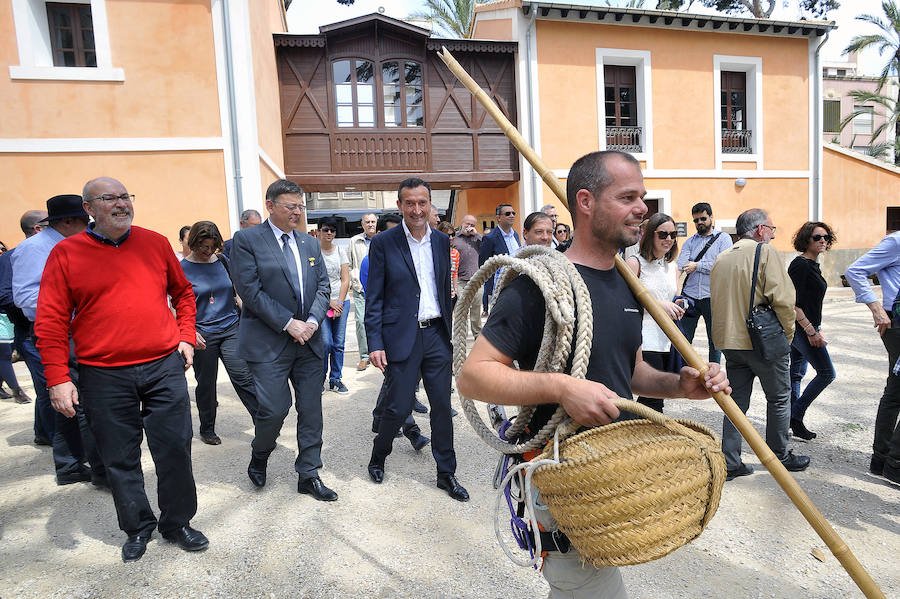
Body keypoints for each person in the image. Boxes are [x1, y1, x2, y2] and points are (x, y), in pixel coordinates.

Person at [458, 150, 729, 598]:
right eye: (627, 197)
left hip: (610, 477)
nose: (642, 208)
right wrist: (561, 387)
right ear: (585, 202)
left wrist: (678, 385)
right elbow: (473, 376)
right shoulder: (538, 285)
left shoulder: (627, 283)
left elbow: (632, 371)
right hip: (563, 480)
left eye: (642, 197)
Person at [35, 178, 207, 562]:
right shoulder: (66, 253)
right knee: (119, 456)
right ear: (88, 207)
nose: (121, 204)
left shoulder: (154, 242)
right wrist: (58, 378)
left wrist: (184, 334)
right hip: (103, 373)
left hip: (163, 365)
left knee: (175, 449)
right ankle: (137, 527)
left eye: (126, 196)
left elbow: (182, 292)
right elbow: (49, 321)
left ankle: (177, 523)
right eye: (109, 198)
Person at [230, 179, 338, 502]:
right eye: (291, 206)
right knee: (275, 409)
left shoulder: (308, 243)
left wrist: (313, 321)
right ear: (271, 206)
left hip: (309, 342)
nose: (297, 212)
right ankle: (260, 453)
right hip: (269, 343)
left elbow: (322, 287)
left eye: (301, 207)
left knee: (311, 409)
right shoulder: (247, 240)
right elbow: (250, 291)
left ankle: (309, 473)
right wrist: (289, 323)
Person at [365, 177, 468, 501]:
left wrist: (454, 332)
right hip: (402, 337)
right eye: (409, 203)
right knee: (395, 408)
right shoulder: (384, 244)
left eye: (422, 202)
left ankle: (446, 474)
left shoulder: (441, 241)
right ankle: (378, 456)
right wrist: (375, 343)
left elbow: (443, 289)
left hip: (437, 334)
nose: (416, 209)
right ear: (400, 206)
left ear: (430, 205)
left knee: (441, 407)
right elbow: (375, 298)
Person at [12, 195, 107, 487]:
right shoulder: (35, 249)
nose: (89, 228)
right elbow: (25, 298)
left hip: (80, 330)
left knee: (70, 403)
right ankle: (101, 471)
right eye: (84, 222)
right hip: (60, 332)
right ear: (67, 221)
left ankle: (68, 465)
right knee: (85, 401)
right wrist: (72, 303)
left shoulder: (76, 245)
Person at [710, 208, 809, 481]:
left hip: (731, 342)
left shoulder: (722, 257)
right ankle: (780, 456)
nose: (774, 235)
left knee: (736, 403)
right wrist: (787, 336)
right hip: (763, 341)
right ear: (760, 229)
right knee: (778, 398)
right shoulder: (764, 252)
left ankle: (730, 460)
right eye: (772, 229)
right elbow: (784, 300)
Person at [180, 220, 259, 445]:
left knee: (243, 375)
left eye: (212, 246)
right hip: (202, 333)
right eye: (204, 246)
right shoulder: (181, 269)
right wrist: (189, 332)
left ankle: (263, 420)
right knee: (206, 384)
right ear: (193, 242)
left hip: (230, 327)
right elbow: (176, 305)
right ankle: (207, 429)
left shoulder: (223, 260)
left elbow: (235, 292)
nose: (208, 251)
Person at [366, 213, 429, 449]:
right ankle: (413, 432)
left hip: (413, 335)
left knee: (394, 384)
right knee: (398, 386)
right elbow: (373, 302)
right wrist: (376, 342)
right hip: (389, 336)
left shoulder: (410, 258)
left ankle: (378, 416)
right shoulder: (371, 261)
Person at [845, 231, 900, 484]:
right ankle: (894, 462)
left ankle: (883, 459)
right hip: (897, 322)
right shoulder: (897, 241)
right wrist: (877, 309)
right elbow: (855, 270)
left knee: (895, 391)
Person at [0, 210, 51, 442]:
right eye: (51, 224)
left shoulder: (50, 252)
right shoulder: (12, 257)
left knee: (46, 387)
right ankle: (54, 437)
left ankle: (42, 432)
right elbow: (5, 296)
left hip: (47, 332)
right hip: (30, 333)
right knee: (48, 387)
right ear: (38, 229)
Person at [625, 213, 684, 413]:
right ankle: (647, 439)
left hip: (668, 338)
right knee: (653, 397)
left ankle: (646, 437)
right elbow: (626, 302)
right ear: (651, 235)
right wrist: (660, 305)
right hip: (645, 337)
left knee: (660, 395)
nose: (669, 239)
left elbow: (674, 297)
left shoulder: (672, 267)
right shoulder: (635, 263)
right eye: (663, 234)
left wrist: (679, 305)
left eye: (673, 234)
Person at [788, 222, 837, 441]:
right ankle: (795, 416)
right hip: (800, 329)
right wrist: (810, 331)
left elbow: (812, 303)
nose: (823, 241)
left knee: (796, 374)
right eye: (817, 237)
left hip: (808, 327)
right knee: (827, 373)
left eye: (826, 237)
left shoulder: (813, 265)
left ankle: (789, 419)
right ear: (806, 239)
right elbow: (793, 303)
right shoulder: (801, 265)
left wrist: (818, 328)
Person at [676, 202, 733, 363]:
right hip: (690, 296)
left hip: (712, 297)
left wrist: (697, 265)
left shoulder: (724, 239)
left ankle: (713, 375)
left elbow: (724, 264)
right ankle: (684, 372)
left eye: (703, 218)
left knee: (715, 341)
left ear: (711, 218)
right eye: (696, 220)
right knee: (684, 339)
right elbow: (681, 265)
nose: (699, 222)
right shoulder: (689, 242)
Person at [317, 217, 351, 395]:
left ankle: (335, 378)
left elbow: (346, 279)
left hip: (341, 302)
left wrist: (338, 301)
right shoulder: (314, 252)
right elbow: (312, 281)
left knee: (338, 343)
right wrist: (328, 301)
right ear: (318, 232)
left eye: (332, 230)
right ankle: (320, 379)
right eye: (325, 229)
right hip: (321, 303)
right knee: (325, 343)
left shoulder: (340, 251)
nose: (329, 233)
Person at [479, 203, 521, 314]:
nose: (511, 215)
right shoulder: (490, 238)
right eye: (508, 213)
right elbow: (483, 265)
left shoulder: (515, 235)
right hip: (499, 288)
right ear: (498, 218)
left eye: (513, 213)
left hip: (517, 283)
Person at [348, 213, 377, 371]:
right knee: (360, 321)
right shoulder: (355, 241)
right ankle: (364, 356)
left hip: (380, 289)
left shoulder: (383, 239)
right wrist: (354, 282)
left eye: (373, 221)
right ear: (362, 224)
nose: (370, 224)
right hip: (361, 290)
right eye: (367, 222)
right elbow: (349, 264)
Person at [454, 214, 483, 337]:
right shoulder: (455, 239)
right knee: (461, 310)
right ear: (462, 223)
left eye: (472, 225)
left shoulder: (477, 239)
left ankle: (477, 335)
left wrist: (476, 234)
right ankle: (461, 336)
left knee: (476, 310)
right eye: (467, 224)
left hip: (477, 279)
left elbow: (487, 246)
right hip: (460, 280)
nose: (469, 227)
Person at [437, 222, 460, 310]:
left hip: (451, 294)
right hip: (439, 295)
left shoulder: (455, 253)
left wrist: (455, 290)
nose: (450, 238)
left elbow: (454, 273)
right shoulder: (436, 252)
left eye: (453, 234)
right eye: (448, 235)